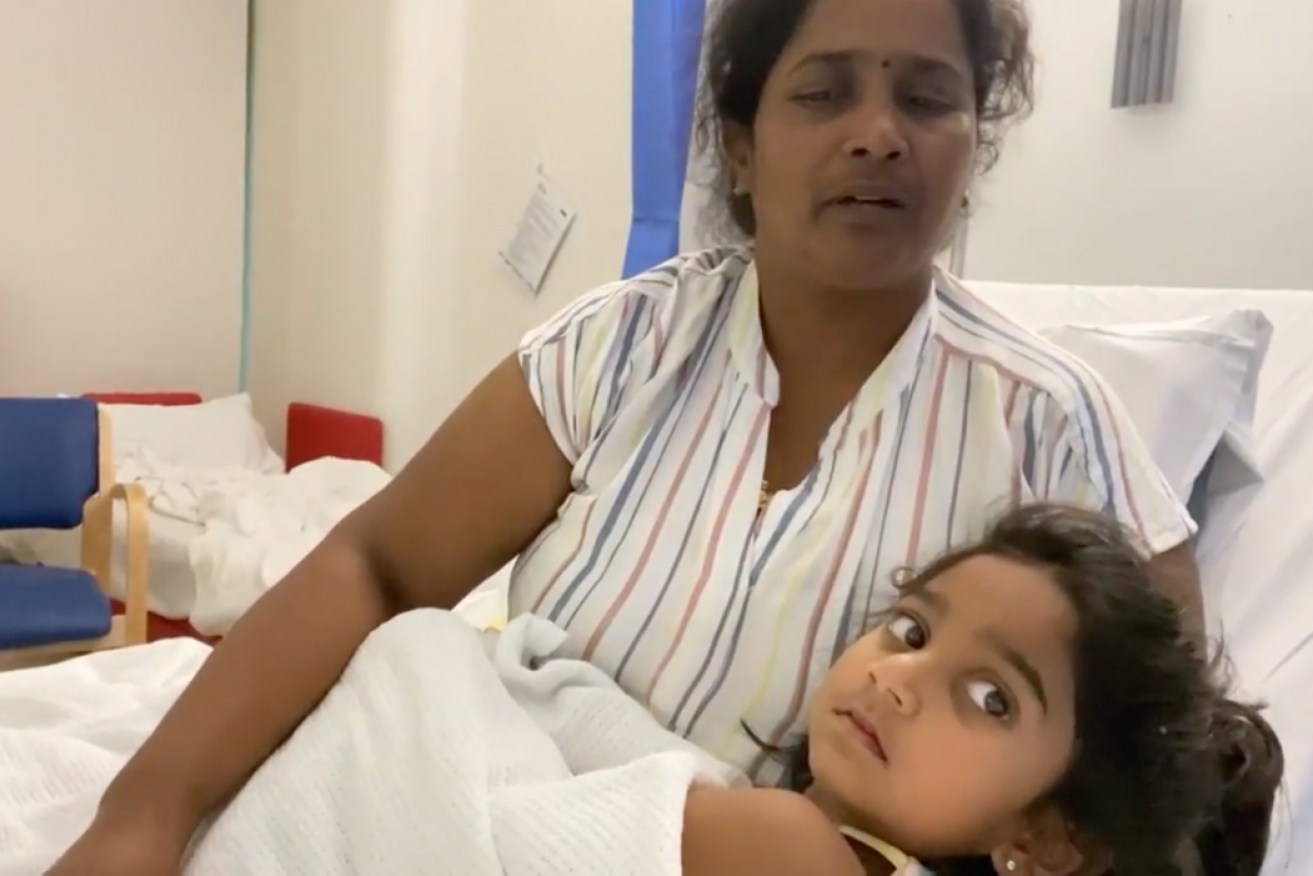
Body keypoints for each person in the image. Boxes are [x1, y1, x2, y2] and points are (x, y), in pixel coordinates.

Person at [52, 0, 1204, 871]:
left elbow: (1154, 787)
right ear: (741, 148)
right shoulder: (620, 350)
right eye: (823, 91)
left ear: (972, 143)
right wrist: (143, 814)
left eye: (925, 97)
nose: (877, 134)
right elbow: (377, 567)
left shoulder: (1056, 425)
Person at [683, 505, 1281, 876]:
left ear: (1050, 837)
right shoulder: (743, 804)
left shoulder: (782, 848)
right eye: (910, 631)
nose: (896, 680)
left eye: (991, 698)